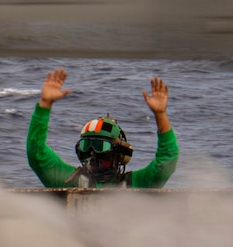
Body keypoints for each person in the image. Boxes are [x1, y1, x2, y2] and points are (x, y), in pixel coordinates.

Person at [27, 67, 178, 188]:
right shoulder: (68, 181)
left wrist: (160, 114)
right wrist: (44, 105)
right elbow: (37, 153)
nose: (92, 153)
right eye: (87, 145)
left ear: (118, 154)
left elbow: (165, 162)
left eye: (101, 146)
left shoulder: (135, 184)